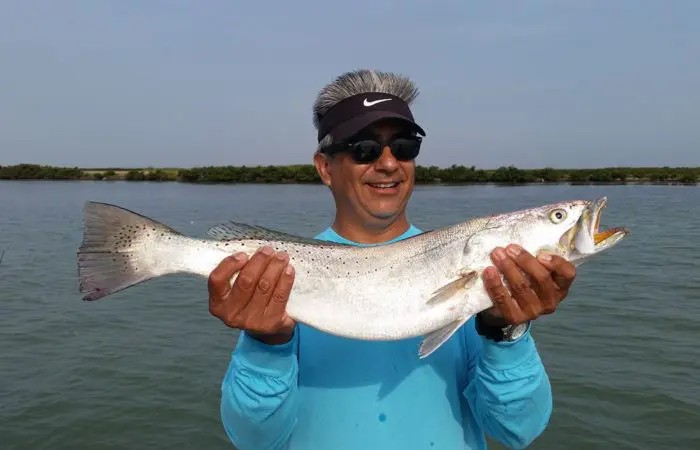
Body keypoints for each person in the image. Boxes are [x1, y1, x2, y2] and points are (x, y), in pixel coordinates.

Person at [207, 69, 577, 450]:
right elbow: (254, 439)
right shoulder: (282, 278)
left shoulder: (475, 278)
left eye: (404, 147)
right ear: (324, 167)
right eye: (364, 149)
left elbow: (517, 430)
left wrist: (505, 332)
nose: (388, 163)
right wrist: (266, 344)